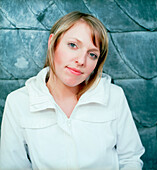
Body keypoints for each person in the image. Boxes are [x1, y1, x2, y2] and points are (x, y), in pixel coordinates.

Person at [0, 11, 145, 170]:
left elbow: (130, 158)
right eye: (73, 45)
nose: (81, 61)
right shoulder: (18, 102)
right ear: (52, 43)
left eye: (92, 54)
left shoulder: (114, 96)